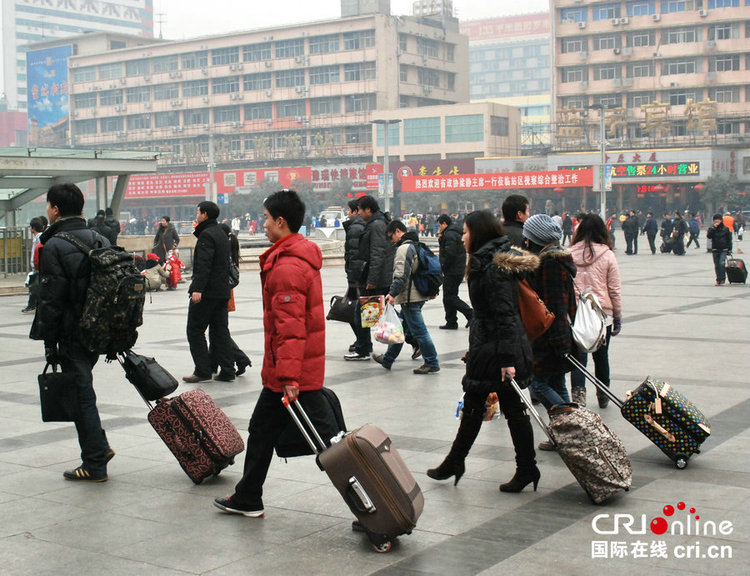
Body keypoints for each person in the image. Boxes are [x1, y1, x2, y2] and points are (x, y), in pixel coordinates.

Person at [214, 189, 338, 518]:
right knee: (262, 429)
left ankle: (376, 502)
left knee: (331, 447)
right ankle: (248, 497)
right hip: (285, 373)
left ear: (281, 221)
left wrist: (289, 377)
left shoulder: (286, 268)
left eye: (267, 219)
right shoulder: (296, 257)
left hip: (294, 376)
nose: (264, 224)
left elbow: (292, 328)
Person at [426, 210, 539, 492]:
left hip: (498, 350)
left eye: (465, 231)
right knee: (478, 404)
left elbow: (505, 315)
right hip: (490, 347)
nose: (462, 236)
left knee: (507, 408)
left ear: (478, 234)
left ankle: (525, 468)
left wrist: (507, 360)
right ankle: (458, 461)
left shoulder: (492, 266)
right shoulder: (487, 261)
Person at [30, 183, 114, 482]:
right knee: (82, 388)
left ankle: (94, 462)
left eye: (48, 206)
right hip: (98, 330)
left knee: (81, 395)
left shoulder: (54, 245)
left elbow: (51, 299)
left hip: (72, 331)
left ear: (54, 209)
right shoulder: (99, 238)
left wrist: (49, 341)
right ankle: (99, 447)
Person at [522, 214, 577, 450]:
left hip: (551, 335)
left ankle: (574, 429)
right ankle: (565, 435)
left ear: (537, 240)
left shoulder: (550, 264)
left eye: (528, 239)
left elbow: (555, 305)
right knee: (556, 382)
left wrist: (557, 340)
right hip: (556, 333)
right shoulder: (555, 260)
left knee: (537, 384)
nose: (525, 243)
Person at [567, 214, 623, 410]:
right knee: (602, 356)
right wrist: (617, 316)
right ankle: (603, 394)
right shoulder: (608, 255)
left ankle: (578, 398)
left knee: (579, 357)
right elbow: (614, 289)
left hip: (576, 314)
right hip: (602, 315)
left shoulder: (568, 254)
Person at [372, 220, 440, 375]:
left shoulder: (404, 248)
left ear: (397, 231)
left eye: (391, 237)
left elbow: (401, 276)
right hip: (418, 295)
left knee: (420, 332)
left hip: (410, 297)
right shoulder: (417, 245)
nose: (391, 241)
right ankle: (388, 359)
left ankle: (432, 362)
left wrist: (392, 293)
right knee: (400, 329)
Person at [183, 201, 235, 383]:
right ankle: (228, 370)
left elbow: (204, 265)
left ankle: (203, 370)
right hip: (222, 291)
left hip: (207, 292)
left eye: (198, 212)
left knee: (195, 330)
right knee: (220, 331)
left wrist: (197, 289)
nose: (196, 215)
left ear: (205, 214)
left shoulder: (206, 235)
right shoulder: (221, 233)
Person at [345, 195, 394, 361]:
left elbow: (377, 254)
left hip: (377, 279)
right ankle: (363, 348)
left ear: (368, 209)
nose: (359, 213)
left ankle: (363, 349)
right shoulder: (376, 223)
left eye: (360, 209)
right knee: (381, 314)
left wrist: (372, 280)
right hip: (378, 277)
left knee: (361, 314)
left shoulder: (377, 225)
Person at [209, 223, 252, 376]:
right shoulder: (228, 246)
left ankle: (240, 358)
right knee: (216, 330)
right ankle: (212, 363)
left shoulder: (222, 248)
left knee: (219, 331)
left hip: (221, 292)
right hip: (225, 291)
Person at [437, 214, 472, 330]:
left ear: (444, 224)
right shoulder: (453, 233)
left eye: (439, 225)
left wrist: (443, 265)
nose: (439, 228)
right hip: (457, 269)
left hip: (452, 270)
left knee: (450, 297)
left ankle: (470, 314)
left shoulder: (450, 234)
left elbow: (449, 253)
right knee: (449, 296)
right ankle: (451, 322)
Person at [342, 199, 366, 353]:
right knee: (359, 310)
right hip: (360, 275)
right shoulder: (358, 226)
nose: (348, 214)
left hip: (357, 276)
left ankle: (413, 338)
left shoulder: (356, 227)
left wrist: (352, 279)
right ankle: (362, 341)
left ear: (356, 211)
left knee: (356, 310)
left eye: (349, 211)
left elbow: (354, 255)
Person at [23, 217, 46, 314]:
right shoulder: (38, 237)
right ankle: (34, 305)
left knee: (34, 287)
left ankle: (32, 305)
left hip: (37, 266)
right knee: (35, 286)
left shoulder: (40, 238)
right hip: (36, 265)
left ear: (33, 228)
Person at [706, 213, 732, 286]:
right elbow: (709, 236)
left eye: (718, 220)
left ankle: (722, 279)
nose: (717, 221)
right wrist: (713, 228)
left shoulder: (726, 229)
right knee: (717, 265)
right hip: (715, 249)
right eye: (715, 220)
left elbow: (729, 239)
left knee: (721, 263)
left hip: (723, 249)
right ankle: (718, 279)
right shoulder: (712, 228)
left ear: (721, 220)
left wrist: (729, 249)